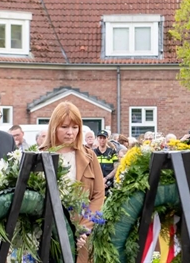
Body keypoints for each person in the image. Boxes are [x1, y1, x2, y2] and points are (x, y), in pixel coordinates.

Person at [40, 101, 104, 263]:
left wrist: (84, 229)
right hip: (48, 235)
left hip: (81, 238)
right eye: (64, 127)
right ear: (54, 127)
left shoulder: (89, 156)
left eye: (75, 127)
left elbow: (98, 195)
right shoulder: (40, 155)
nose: (70, 132)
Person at [93, 130, 119, 195]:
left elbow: (116, 168)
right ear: (97, 139)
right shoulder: (93, 153)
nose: (102, 140)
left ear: (107, 139)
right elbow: (90, 169)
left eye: (104, 138)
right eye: (100, 138)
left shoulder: (112, 152)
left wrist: (106, 178)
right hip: (96, 184)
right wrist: (99, 181)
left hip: (109, 183)